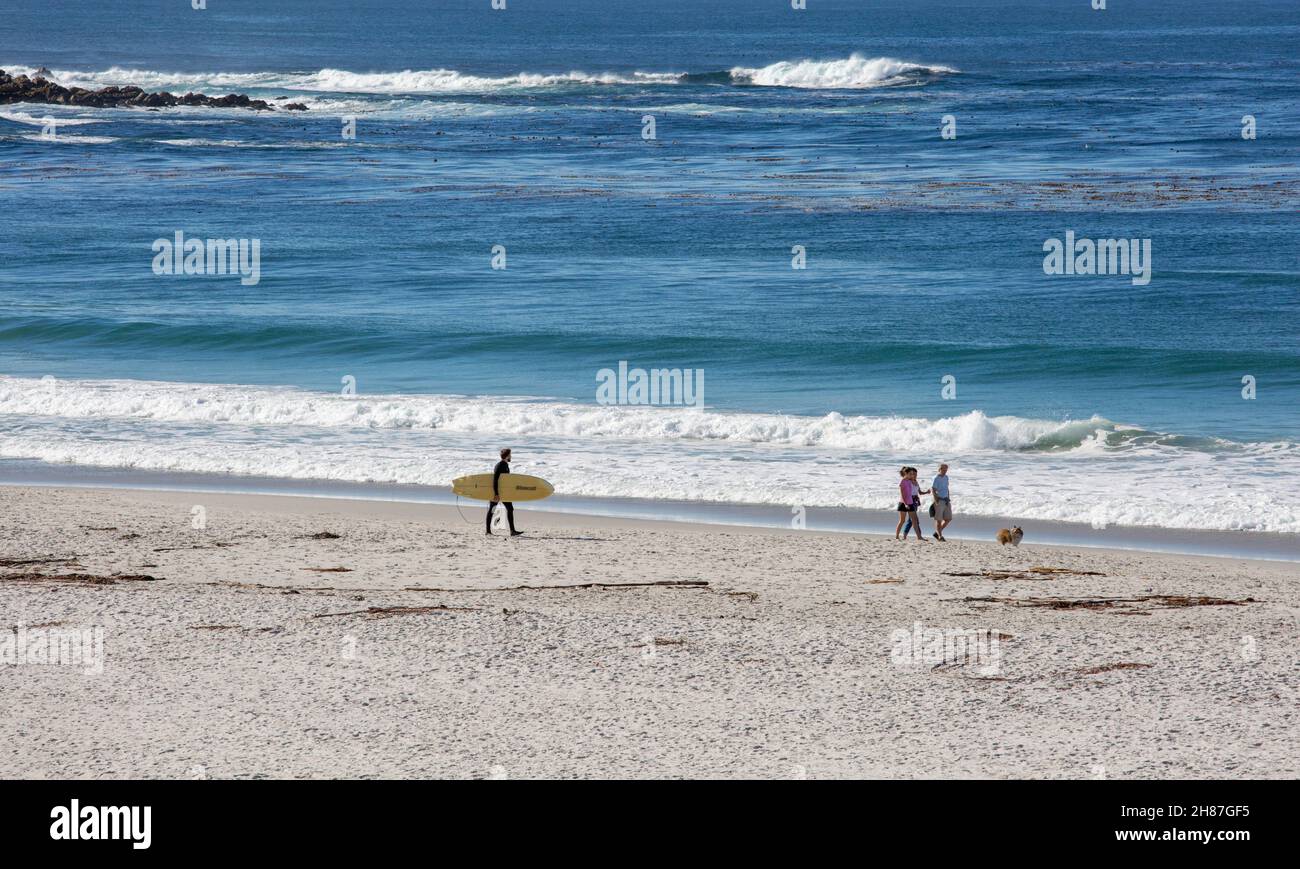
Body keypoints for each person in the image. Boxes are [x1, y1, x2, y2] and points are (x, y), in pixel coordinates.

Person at [486, 447, 523, 536]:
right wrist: (496, 494)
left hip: (504, 493)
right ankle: (488, 531)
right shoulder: (499, 465)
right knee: (492, 510)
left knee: (510, 509)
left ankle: (512, 531)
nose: (511, 456)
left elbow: (506, 481)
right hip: (497, 492)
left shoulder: (505, 465)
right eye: (510, 455)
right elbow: (495, 480)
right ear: (507, 456)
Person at [894, 467, 927, 541]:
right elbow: (902, 494)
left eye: (912, 474)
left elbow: (914, 492)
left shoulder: (909, 481)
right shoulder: (903, 481)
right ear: (906, 474)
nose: (912, 475)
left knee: (914, 520)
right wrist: (905, 504)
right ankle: (896, 536)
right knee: (902, 521)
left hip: (910, 502)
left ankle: (919, 537)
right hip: (903, 503)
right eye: (910, 474)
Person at [930, 463, 952, 541]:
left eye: (946, 469)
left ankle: (937, 533)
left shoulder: (946, 477)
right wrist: (936, 500)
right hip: (939, 500)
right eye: (943, 469)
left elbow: (947, 488)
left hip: (946, 500)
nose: (945, 470)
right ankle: (940, 536)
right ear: (939, 469)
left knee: (948, 519)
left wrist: (948, 498)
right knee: (938, 520)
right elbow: (933, 489)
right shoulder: (936, 478)